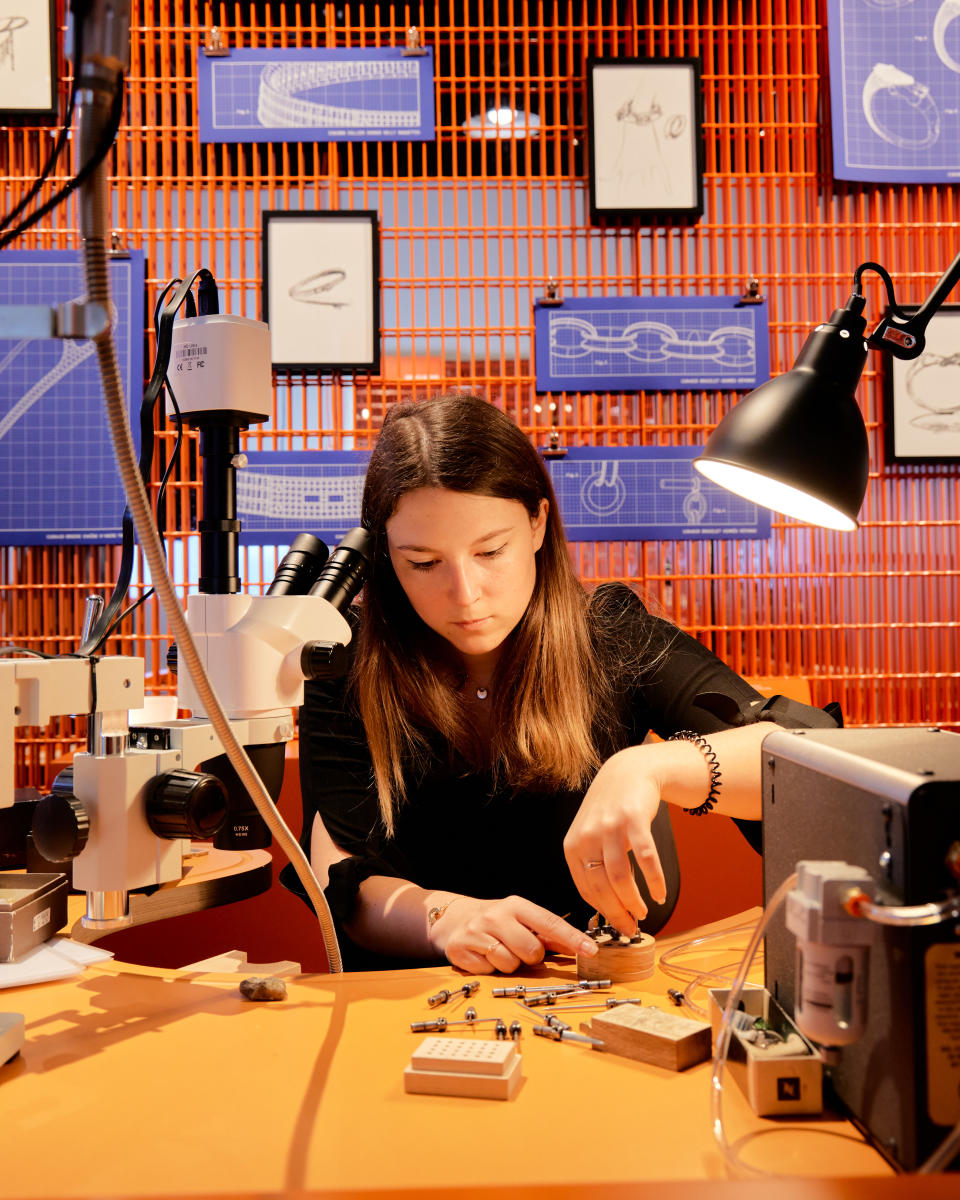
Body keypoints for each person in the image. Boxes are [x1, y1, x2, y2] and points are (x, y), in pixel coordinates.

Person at [285, 393, 838, 972]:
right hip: (410, 1002)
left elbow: (813, 758)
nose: (465, 593)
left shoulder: (609, 636)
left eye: (490, 551)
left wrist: (651, 766)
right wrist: (447, 918)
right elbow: (340, 876)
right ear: (385, 558)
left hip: (592, 992)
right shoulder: (346, 657)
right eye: (423, 563)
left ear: (538, 524)